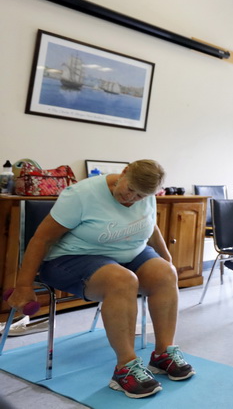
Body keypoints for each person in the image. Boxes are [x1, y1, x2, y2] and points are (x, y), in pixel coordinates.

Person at [7, 159, 194, 398]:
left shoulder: (145, 191)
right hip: (72, 258)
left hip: (129, 252)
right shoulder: (81, 195)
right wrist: (23, 285)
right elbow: (41, 239)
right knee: (121, 280)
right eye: (130, 191)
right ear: (124, 172)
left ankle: (163, 354)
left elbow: (149, 224)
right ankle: (125, 367)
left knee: (166, 273)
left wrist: (165, 256)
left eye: (140, 196)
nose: (131, 199)